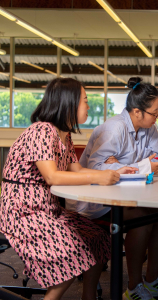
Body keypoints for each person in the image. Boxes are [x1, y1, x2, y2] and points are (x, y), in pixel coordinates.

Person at [0, 78, 137, 300]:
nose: (88, 106)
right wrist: (99, 177)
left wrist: (113, 173)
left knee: (99, 237)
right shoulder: (42, 131)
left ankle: (88, 296)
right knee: (73, 254)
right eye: (85, 100)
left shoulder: (64, 134)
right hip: (22, 212)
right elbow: (52, 176)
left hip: (48, 209)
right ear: (69, 103)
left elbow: (76, 170)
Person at [65, 77, 158, 300]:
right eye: (155, 112)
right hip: (95, 201)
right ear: (137, 112)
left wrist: (125, 165)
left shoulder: (149, 128)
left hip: (124, 194)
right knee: (141, 218)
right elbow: (96, 168)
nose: (157, 116)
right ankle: (133, 287)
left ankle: (152, 280)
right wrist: (140, 166)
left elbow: (155, 158)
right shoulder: (113, 129)